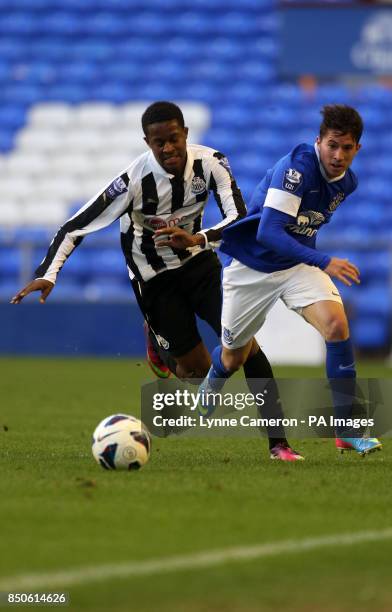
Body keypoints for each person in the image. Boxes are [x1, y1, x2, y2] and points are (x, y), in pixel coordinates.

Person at [10, 100, 302, 461]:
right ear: (147, 142)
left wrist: (198, 239)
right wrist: (47, 274)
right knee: (195, 374)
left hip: (199, 265)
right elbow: (74, 227)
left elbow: (239, 219)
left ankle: (280, 444)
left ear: (185, 134)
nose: (168, 148)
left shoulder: (212, 163)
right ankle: (158, 343)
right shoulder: (132, 182)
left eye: (173, 139)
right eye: (158, 142)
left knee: (244, 347)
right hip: (153, 281)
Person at [200, 104, 382, 457]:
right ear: (319, 141)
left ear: (358, 149)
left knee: (336, 325)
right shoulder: (296, 169)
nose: (338, 155)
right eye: (332, 145)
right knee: (234, 358)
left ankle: (347, 428)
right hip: (251, 267)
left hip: (295, 266)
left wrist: (314, 260)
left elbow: (302, 226)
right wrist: (325, 260)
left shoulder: (348, 183)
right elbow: (269, 232)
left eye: (347, 148)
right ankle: (215, 375)